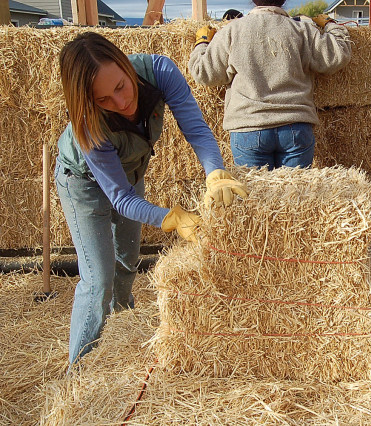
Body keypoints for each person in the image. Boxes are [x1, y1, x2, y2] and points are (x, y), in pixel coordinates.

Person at [55, 32, 248, 367]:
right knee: (98, 278)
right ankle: (80, 368)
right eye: (103, 99)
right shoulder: (87, 123)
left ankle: (122, 324)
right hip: (82, 185)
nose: (120, 103)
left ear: (124, 63)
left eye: (120, 86)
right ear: (88, 102)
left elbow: (197, 130)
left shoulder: (159, 71)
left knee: (128, 258)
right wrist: (170, 218)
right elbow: (118, 198)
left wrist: (215, 173)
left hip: (130, 172)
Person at [188, 0, 352, 170]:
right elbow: (337, 54)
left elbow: (204, 73)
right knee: (295, 196)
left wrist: (201, 43)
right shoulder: (302, 30)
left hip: (249, 127)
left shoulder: (232, 31)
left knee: (256, 195)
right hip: (295, 126)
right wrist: (331, 24)